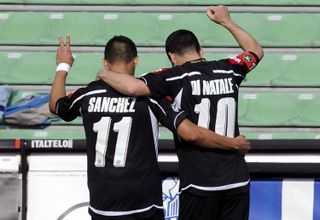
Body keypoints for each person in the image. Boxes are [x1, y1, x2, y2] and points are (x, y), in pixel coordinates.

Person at [49, 34, 250, 220]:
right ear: (136, 60)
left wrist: (63, 66)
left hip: (103, 201)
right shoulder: (151, 97)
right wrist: (233, 143)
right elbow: (189, 132)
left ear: (105, 63)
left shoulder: (87, 95)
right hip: (144, 201)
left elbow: (56, 105)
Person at [98, 5, 264, 220]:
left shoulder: (173, 76)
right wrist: (227, 21)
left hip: (200, 183)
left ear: (172, 56)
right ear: (200, 51)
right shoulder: (229, 68)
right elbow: (256, 52)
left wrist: (104, 73)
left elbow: (132, 88)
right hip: (237, 181)